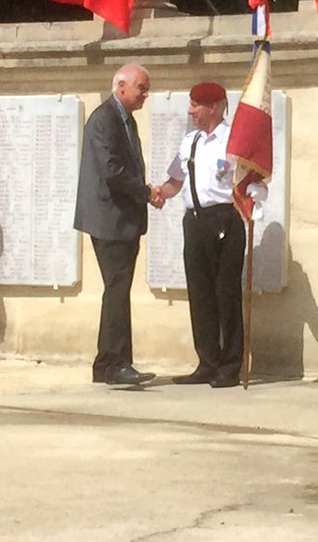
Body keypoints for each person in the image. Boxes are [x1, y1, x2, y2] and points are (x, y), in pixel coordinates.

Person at [157, 82, 266, 388]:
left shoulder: (233, 139)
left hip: (224, 220)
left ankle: (231, 365)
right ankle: (207, 361)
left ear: (214, 107)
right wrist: (156, 193)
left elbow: (251, 176)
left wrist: (256, 192)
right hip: (194, 221)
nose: (190, 111)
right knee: (200, 293)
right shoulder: (189, 142)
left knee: (226, 293)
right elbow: (174, 182)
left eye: (196, 105)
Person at [74, 64, 160, 387]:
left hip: (123, 219)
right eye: (142, 87)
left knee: (117, 290)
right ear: (121, 86)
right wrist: (145, 192)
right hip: (109, 219)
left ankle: (106, 363)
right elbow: (111, 169)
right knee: (117, 289)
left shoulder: (124, 119)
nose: (146, 94)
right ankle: (117, 363)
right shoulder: (104, 119)